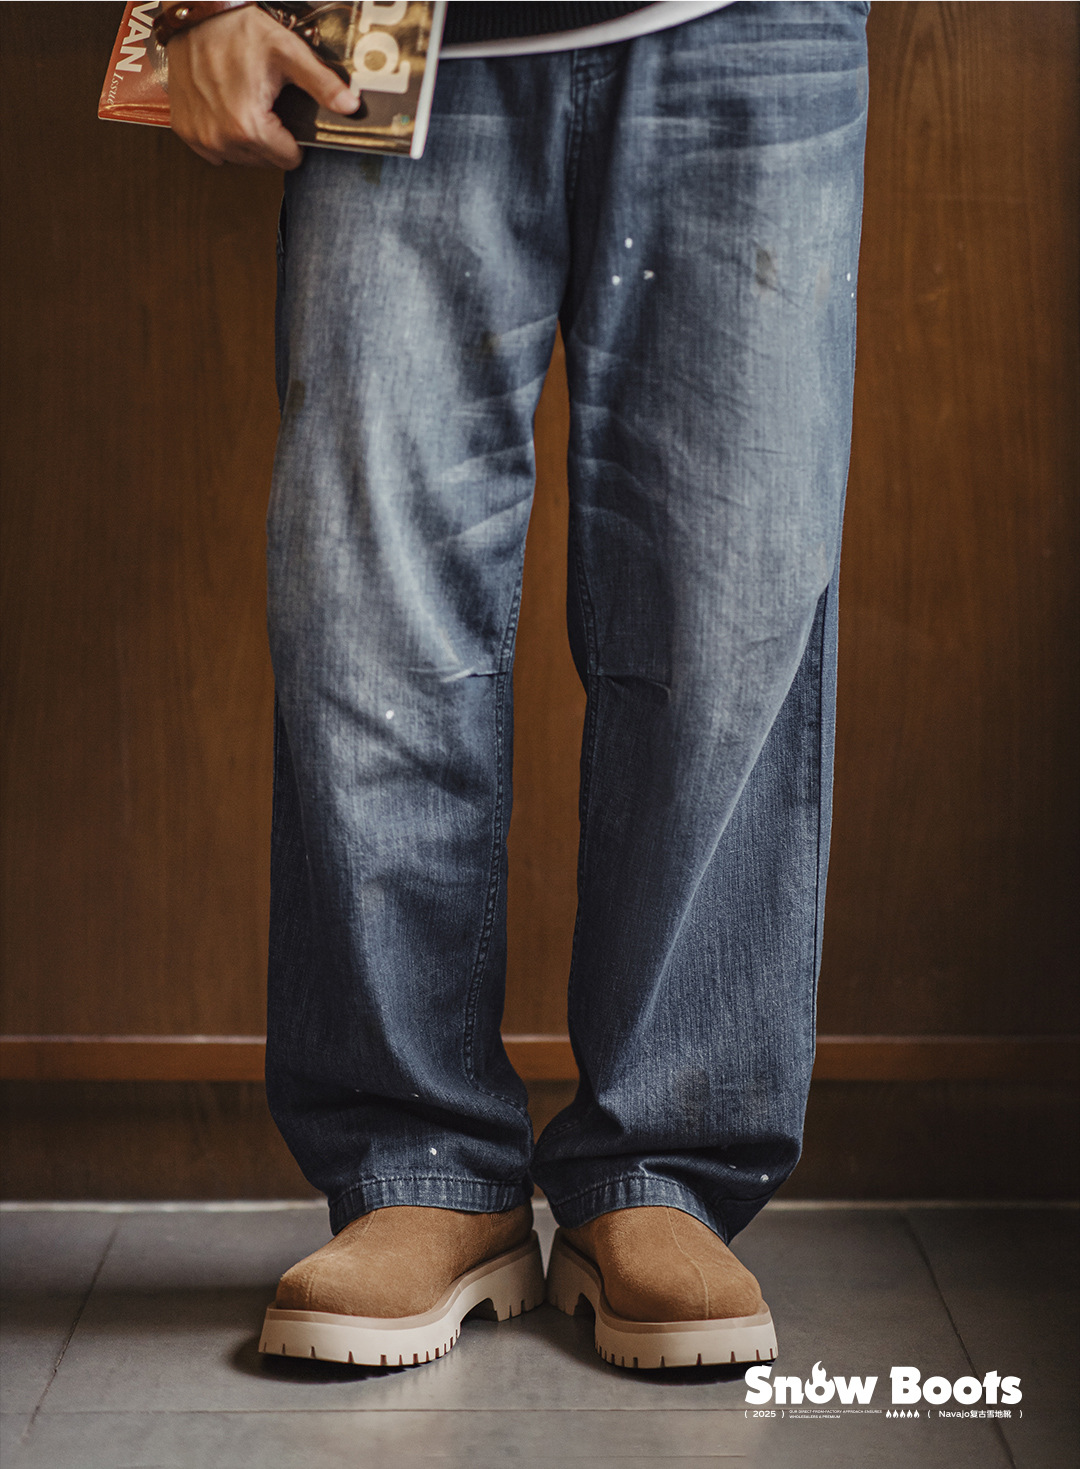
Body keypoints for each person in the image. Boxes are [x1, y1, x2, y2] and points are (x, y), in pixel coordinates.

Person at [163, 0, 869, 1370]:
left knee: (729, 604)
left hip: (750, 24)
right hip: (386, 22)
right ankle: (419, 1166)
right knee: (368, 614)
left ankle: (664, 1166)